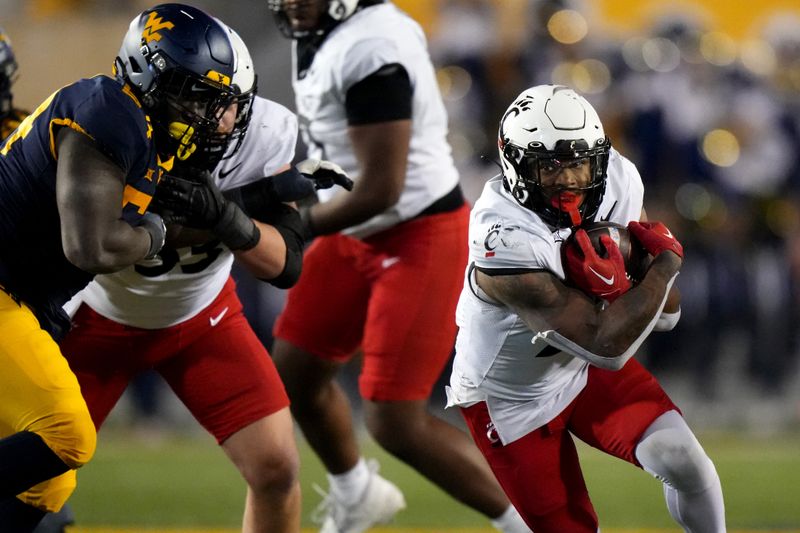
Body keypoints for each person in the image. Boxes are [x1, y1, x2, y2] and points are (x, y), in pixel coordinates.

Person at [52, 14, 353, 533]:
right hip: (95, 317)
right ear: (148, 88)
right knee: (33, 479)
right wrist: (232, 208)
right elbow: (106, 243)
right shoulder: (103, 129)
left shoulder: (263, 132)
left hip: (200, 315)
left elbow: (285, 265)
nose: (222, 119)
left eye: (232, 101)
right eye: (196, 99)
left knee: (277, 466)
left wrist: (227, 216)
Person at [267, 1, 529, 532]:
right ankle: (356, 492)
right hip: (357, 228)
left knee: (394, 418)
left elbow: (382, 187)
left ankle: (530, 523)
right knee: (297, 369)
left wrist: (300, 224)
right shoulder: (331, 29)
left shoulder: (370, 46)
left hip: (416, 231)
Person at [0, 0, 247, 528]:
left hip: (20, 296)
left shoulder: (141, 129)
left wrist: (266, 199)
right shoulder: (107, 113)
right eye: (196, 95)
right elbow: (92, 249)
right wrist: (154, 233)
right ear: (154, 76)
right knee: (66, 434)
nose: (204, 114)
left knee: (48, 480)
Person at [446, 84, 726, 532]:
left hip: (579, 364)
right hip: (512, 398)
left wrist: (645, 277)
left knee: (684, 460)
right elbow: (607, 346)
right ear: (516, 164)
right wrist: (664, 267)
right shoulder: (502, 236)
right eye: (550, 167)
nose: (571, 180)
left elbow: (667, 315)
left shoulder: (618, 179)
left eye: (578, 163)